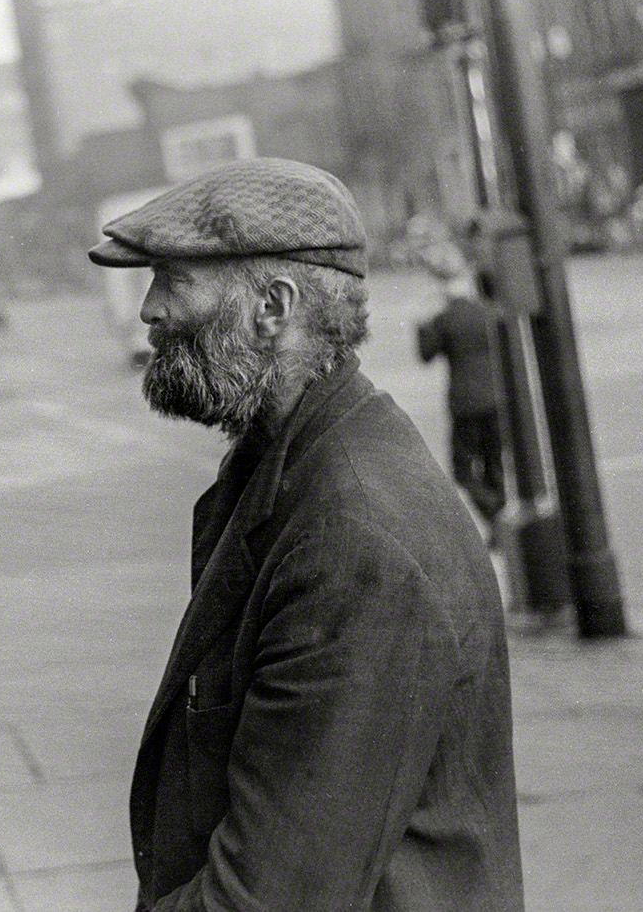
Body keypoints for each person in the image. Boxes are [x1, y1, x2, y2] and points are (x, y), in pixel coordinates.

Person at [88, 158, 523, 910]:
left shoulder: (355, 541)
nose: (149, 310)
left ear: (273, 307)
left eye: (172, 279)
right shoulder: (292, 468)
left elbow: (270, 896)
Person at [415, 257, 508, 537]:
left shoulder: (446, 318)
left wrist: (424, 323)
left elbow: (426, 354)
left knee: (463, 471)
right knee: (495, 464)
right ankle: (499, 523)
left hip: (465, 402)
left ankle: (495, 515)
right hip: (496, 398)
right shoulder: (487, 312)